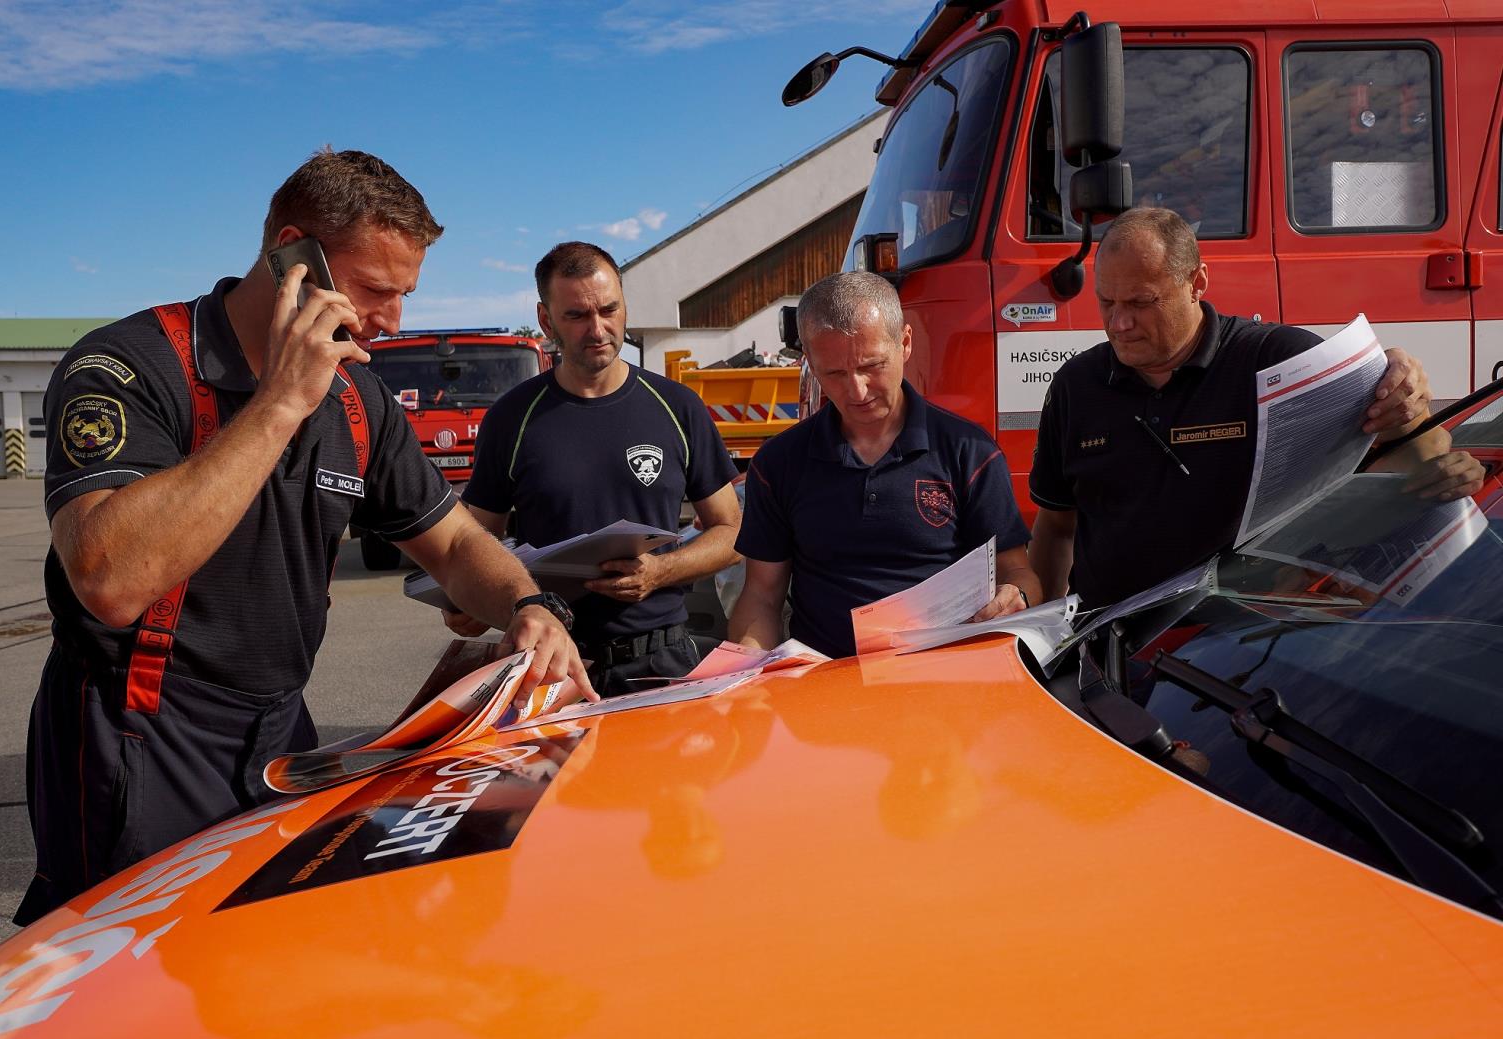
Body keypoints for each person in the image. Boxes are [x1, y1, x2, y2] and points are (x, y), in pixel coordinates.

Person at [21, 149, 592, 925]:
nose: (393, 322)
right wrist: (280, 403)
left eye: (404, 294)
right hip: (141, 733)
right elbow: (109, 578)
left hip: (281, 731)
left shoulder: (359, 398)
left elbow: (455, 543)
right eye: (375, 291)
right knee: (129, 983)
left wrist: (528, 605)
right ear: (292, 252)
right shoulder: (129, 366)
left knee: (265, 951)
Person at [1027, 206, 1482, 610]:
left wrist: (1418, 415)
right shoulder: (1075, 387)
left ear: (1197, 283)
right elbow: (1055, 528)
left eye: (1141, 302)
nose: (1119, 323)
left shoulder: (1278, 360)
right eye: (1106, 302)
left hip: (1238, 643)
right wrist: (1042, 644)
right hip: (1111, 648)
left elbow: (1412, 453)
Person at [452, 241, 742, 693]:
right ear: (546, 320)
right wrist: (465, 599)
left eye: (609, 310)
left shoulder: (677, 407)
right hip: (550, 666)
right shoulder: (512, 418)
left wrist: (661, 572)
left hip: (661, 661)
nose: (598, 328)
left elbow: (734, 533)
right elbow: (469, 543)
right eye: (577, 316)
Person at [729, 271, 1041, 659]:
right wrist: (744, 663)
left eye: (871, 366)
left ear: (905, 343)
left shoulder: (969, 451)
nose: (857, 390)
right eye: (835, 373)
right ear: (808, 361)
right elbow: (761, 595)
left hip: (945, 681)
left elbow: (1017, 573)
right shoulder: (777, 464)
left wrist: (1016, 596)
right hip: (823, 684)